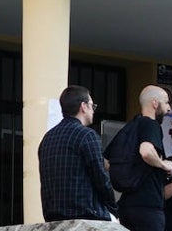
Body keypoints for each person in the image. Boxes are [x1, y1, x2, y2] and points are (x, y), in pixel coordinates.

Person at [38, 85, 117, 223]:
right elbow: (100, 178)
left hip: (53, 216)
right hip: (85, 213)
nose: (93, 110)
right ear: (83, 106)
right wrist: (113, 209)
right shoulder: (87, 135)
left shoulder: (47, 138)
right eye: (92, 106)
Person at [113, 86, 172, 231]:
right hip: (148, 207)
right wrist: (164, 165)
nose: (168, 108)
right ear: (155, 103)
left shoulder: (129, 127)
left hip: (126, 205)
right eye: (166, 102)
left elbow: (106, 161)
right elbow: (146, 151)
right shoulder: (151, 125)